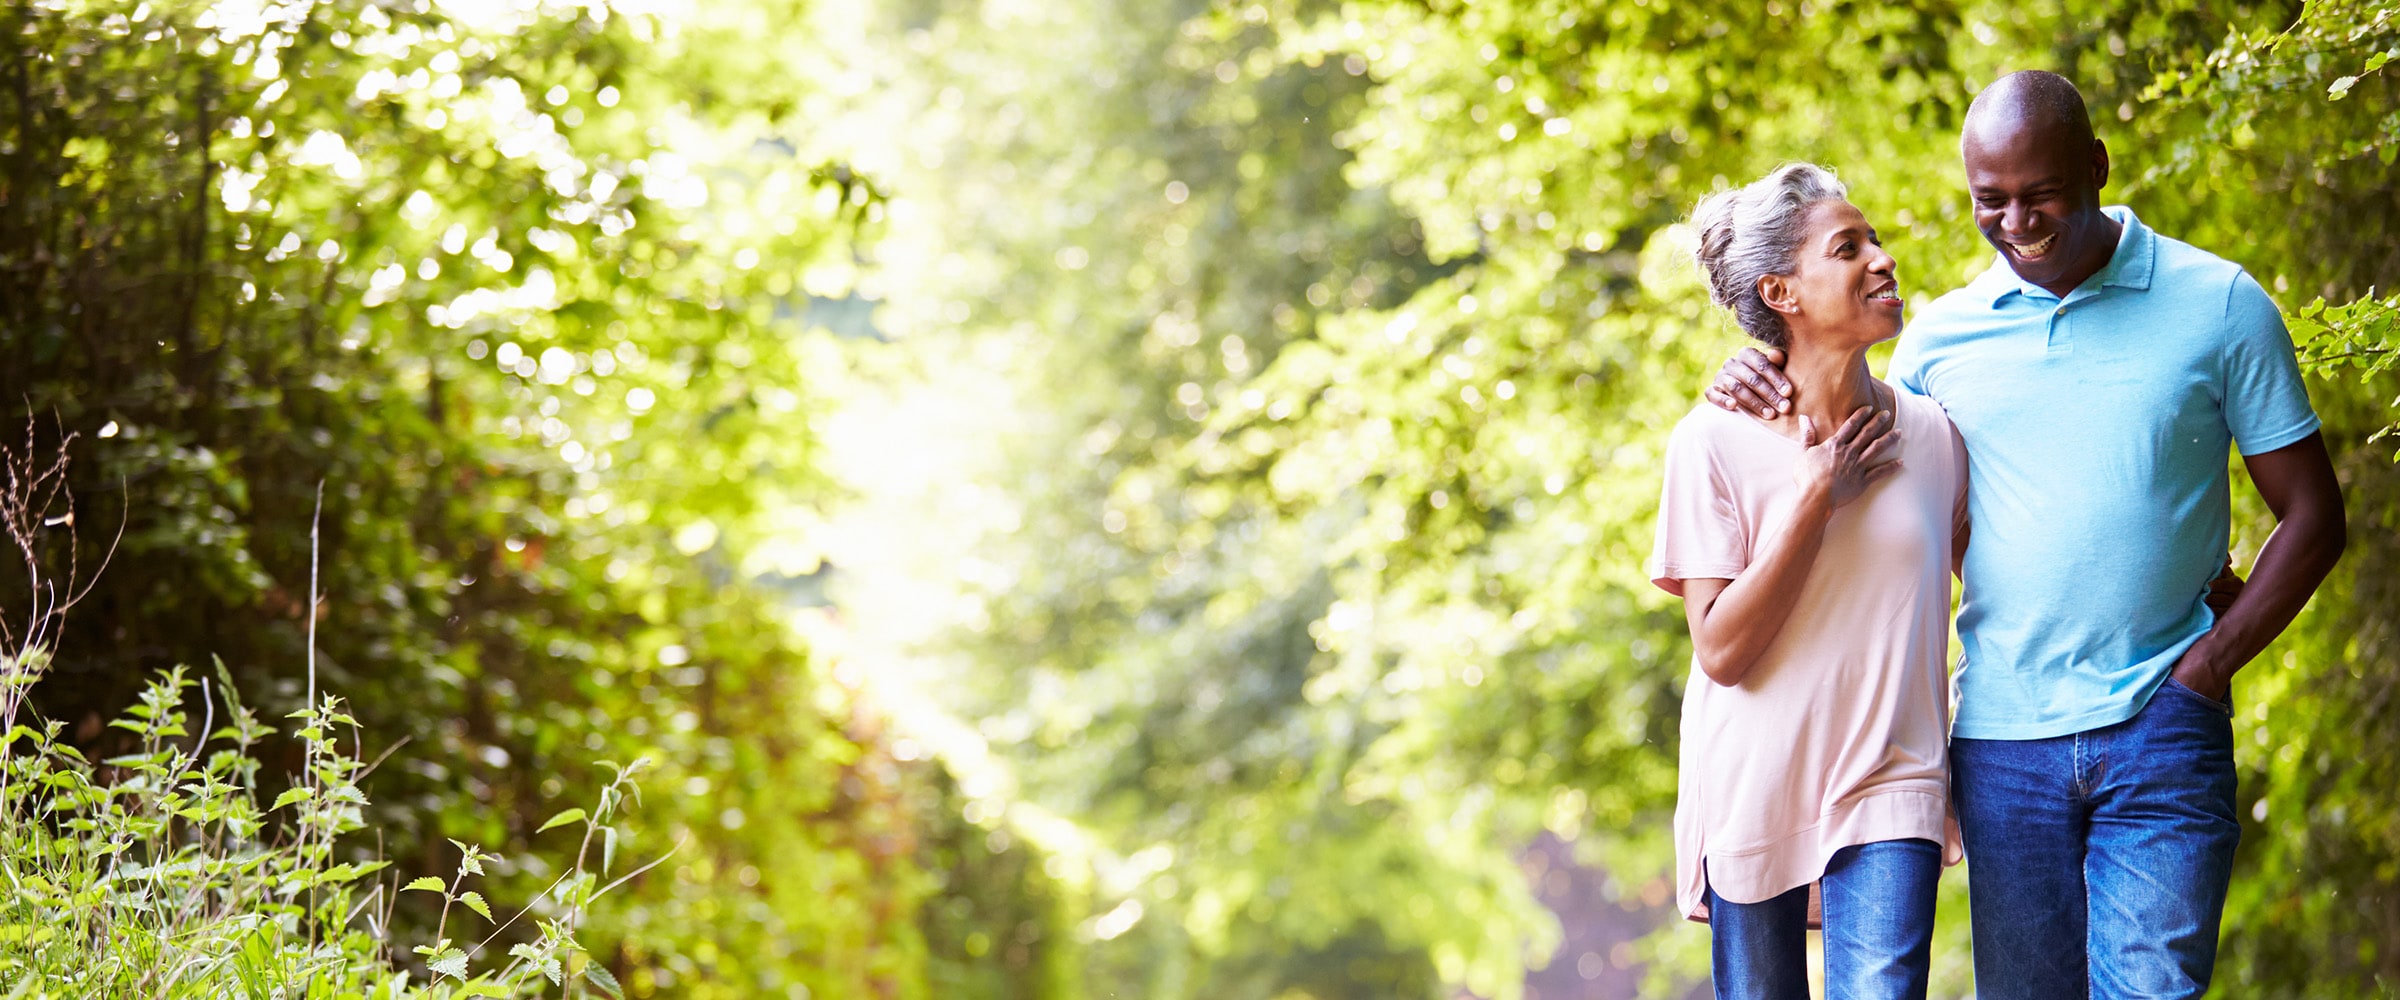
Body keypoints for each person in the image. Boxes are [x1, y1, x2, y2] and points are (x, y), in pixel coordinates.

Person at [1704, 71, 2348, 999]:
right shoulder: (1938, 343)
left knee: (2153, 989)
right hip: (2003, 742)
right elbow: (1880, 473)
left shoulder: (2219, 304)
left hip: (2164, 724)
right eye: (1990, 203)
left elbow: (2315, 516)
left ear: (2096, 165)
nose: (2017, 223)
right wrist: (1753, 358)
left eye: (2040, 194)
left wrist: (2211, 666)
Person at [1652, 162, 1967, 1000]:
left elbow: (2008, 575)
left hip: (1892, 777)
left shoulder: (1935, 437)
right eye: (1848, 248)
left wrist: (2188, 583)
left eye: (1876, 240)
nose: (1883, 259)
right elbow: (1720, 649)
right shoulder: (1711, 441)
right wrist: (1816, 498)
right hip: (1753, 786)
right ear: (1781, 293)